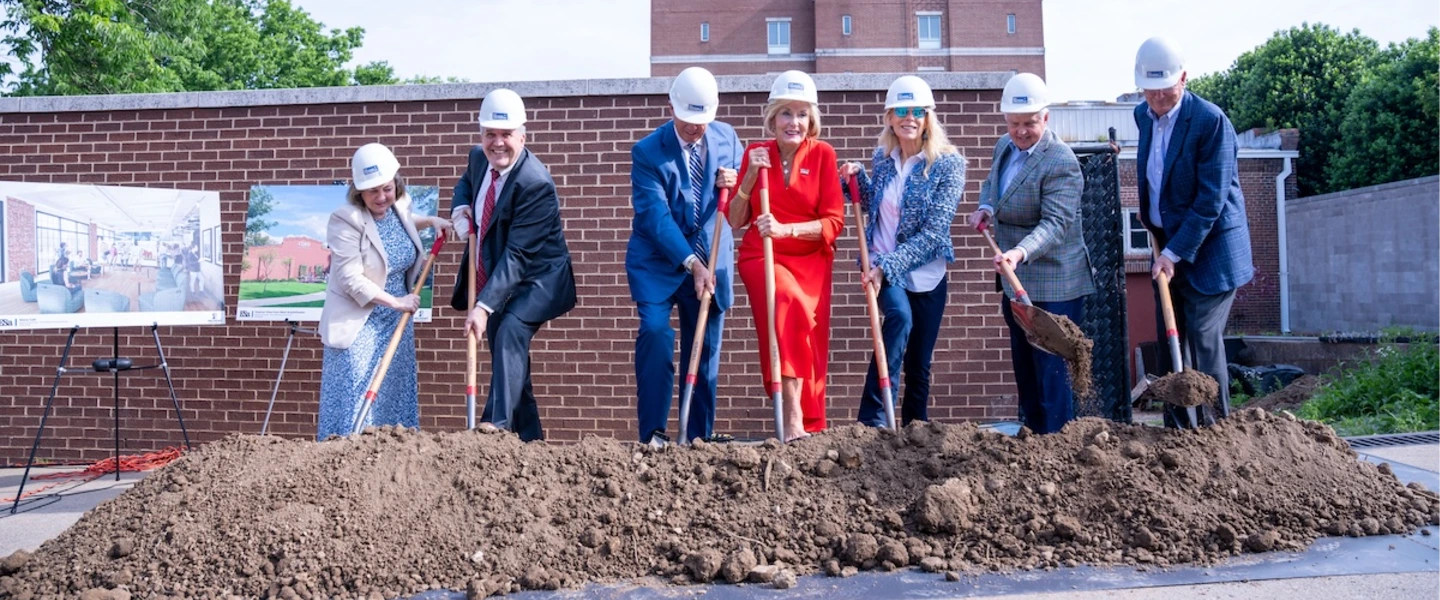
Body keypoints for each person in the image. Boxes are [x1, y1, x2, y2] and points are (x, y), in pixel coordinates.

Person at [1133, 37, 1253, 428]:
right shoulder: (1142, 115)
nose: (1157, 99)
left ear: (1183, 79)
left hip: (1212, 252)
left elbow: (1210, 202)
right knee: (1171, 347)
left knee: (1201, 342)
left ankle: (1216, 433)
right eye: (1149, 91)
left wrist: (1174, 252)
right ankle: (1178, 436)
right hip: (1166, 248)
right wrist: (1157, 231)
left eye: (1165, 90)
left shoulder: (1210, 121)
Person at [967, 73, 1094, 435]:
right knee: (1026, 372)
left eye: (1030, 123)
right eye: (1014, 123)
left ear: (1046, 118)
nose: (1021, 131)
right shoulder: (1003, 147)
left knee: (1052, 377)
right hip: (1016, 283)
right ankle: (1034, 444)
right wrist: (986, 208)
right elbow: (992, 184)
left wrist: (1020, 253)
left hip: (1056, 284)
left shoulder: (1061, 162)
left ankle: (1057, 446)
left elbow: (1056, 224)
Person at [449, 89, 577, 442]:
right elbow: (466, 183)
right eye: (490, 134)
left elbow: (518, 255)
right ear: (481, 135)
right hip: (501, 275)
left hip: (539, 278)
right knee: (511, 360)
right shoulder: (479, 158)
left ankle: (495, 428)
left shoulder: (535, 184)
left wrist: (483, 306)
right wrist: (460, 208)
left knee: (509, 331)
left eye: (506, 135)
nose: (498, 143)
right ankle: (532, 443)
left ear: (523, 135)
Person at [840, 75, 966, 428]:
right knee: (899, 319)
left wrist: (889, 265)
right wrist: (855, 177)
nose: (908, 117)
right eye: (901, 111)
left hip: (927, 273)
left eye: (916, 111)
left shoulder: (947, 164)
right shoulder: (883, 159)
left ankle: (915, 432)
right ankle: (874, 419)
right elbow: (871, 202)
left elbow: (934, 234)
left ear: (927, 117)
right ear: (889, 117)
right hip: (882, 263)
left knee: (919, 364)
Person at [727, 70, 845, 442]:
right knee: (786, 301)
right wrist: (749, 176)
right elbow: (734, 220)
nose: (794, 122)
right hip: (762, 256)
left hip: (810, 258)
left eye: (802, 114)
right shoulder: (754, 152)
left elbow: (833, 222)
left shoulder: (824, 155)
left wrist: (786, 229)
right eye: (786, 113)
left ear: (812, 120)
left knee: (806, 332)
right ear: (772, 117)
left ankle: (811, 421)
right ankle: (794, 418)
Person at [627, 67, 743, 446]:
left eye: (703, 122)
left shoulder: (728, 138)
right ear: (671, 107)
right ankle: (655, 435)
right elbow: (654, 216)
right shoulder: (647, 151)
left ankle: (697, 437)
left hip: (711, 261)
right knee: (656, 334)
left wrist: (737, 183)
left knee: (705, 348)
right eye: (690, 122)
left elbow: (742, 200)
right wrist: (690, 263)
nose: (697, 129)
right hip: (659, 263)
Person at [317, 142, 452, 440]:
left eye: (387, 188)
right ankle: (344, 462)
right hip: (360, 321)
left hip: (395, 321)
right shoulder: (345, 221)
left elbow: (401, 223)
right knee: (357, 392)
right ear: (358, 192)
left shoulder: (399, 204)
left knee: (394, 391)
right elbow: (351, 280)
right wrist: (396, 301)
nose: (381, 197)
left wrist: (431, 221)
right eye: (372, 191)